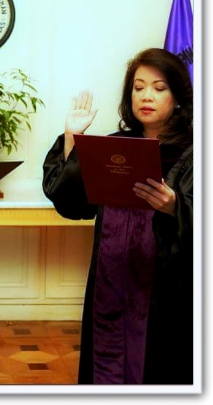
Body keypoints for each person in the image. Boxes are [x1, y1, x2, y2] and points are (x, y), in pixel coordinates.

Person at [42, 48, 194, 384]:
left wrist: (175, 207)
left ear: (177, 98)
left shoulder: (194, 153)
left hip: (166, 293)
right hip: (110, 283)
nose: (146, 96)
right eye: (138, 88)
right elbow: (72, 204)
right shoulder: (114, 147)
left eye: (159, 88)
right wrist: (72, 138)